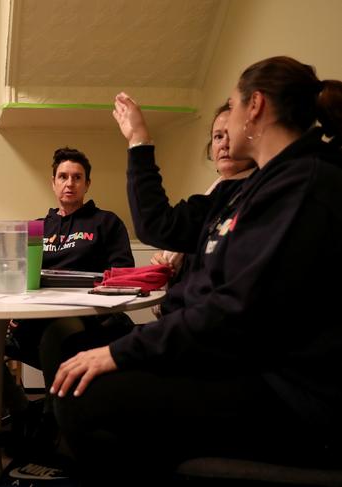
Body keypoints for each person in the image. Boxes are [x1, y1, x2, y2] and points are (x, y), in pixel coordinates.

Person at [48, 56, 342, 485]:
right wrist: (138, 141)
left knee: (83, 396)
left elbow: (234, 310)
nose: (225, 129)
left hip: (282, 387)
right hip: (229, 352)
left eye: (233, 109)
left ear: (255, 106)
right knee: (68, 354)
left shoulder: (303, 185)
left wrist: (123, 350)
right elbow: (161, 228)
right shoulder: (249, 187)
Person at [0, 147, 135, 444]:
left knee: (54, 337)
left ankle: (52, 420)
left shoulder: (105, 222)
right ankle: (20, 408)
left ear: (87, 184)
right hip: (32, 318)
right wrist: (12, 310)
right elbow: (16, 276)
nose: (70, 183)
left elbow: (121, 273)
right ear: (53, 182)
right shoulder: (36, 228)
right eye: (63, 176)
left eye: (77, 177)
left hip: (80, 319)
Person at [150, 102, 256, 315]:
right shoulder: (215, 194)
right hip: (176, 313)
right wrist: (166, 264)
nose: (225, 144)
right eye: (217, 136)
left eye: (231, 134)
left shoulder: (253, 194)